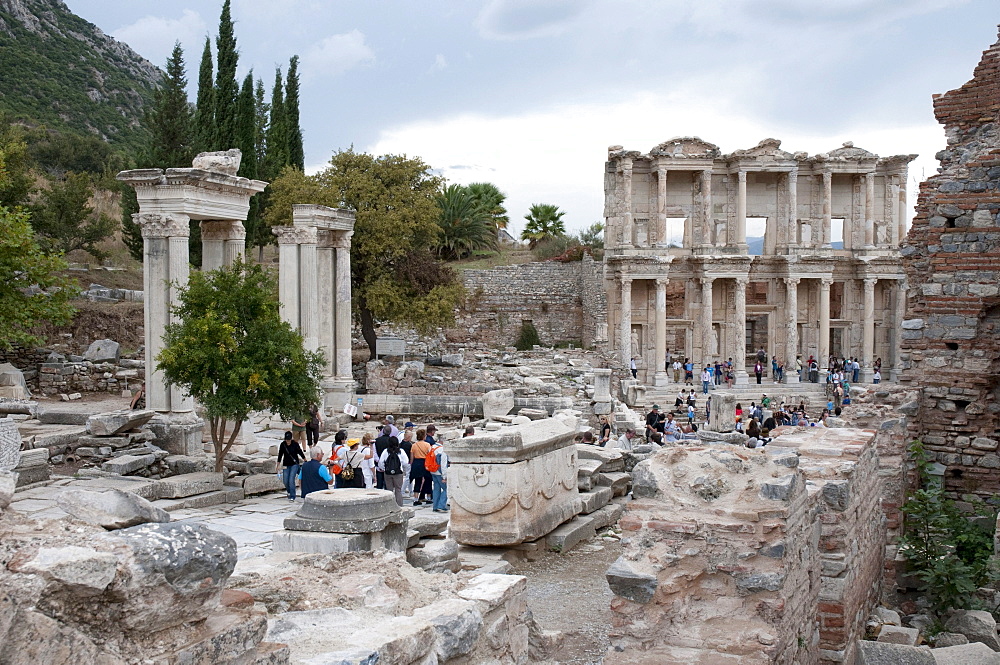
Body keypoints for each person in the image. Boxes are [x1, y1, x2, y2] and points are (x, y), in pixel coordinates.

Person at [378, 437, 409, 506]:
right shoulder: (401, 451)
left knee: (389, 490)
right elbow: (406, 462)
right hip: (398, 472)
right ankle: (399, 505)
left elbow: (380, 462)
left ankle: (390, 505)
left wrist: (383, 468)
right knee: (398, 490)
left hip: (388, 473)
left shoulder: (386, 451)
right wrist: (402, 468)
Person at [277, 431, 306, 501]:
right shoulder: (283, 445)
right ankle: (289, 491)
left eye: (289, 440)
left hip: (294, 464)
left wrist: (305, 459)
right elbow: (280, 455)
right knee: (285, 480)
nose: (288, 441)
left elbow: (300, 452)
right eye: (287, 440)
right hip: (286, 464)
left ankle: (293, 495)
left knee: (291, 479)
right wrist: (278, 464)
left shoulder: (295, 444)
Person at [409, 428, 434, 506]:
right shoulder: (427, 445)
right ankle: (429, 497)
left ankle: (416, 499)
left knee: (417, 481)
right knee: (428, 480)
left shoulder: (414, 445)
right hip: (425, 462)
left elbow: (411, 457)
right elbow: (430, 455)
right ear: (424, 436)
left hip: (417, 462)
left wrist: (411, 464)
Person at [427, 438, 449, 513]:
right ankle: (441, 506)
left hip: (432, 471)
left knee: (436, 488)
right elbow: (443, 464)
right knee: (447, 489)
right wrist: (444, 476)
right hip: (439, 472)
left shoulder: (432, 447)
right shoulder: (442, 450)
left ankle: (435, 506)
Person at [374, 425, 397, 490]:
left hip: (378, 465)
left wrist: (379, 461)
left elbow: (374, 453)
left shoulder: (377, 440)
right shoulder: (392, 441)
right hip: (389, 465)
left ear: (383, 431)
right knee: (388, 484)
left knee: (379, 484)